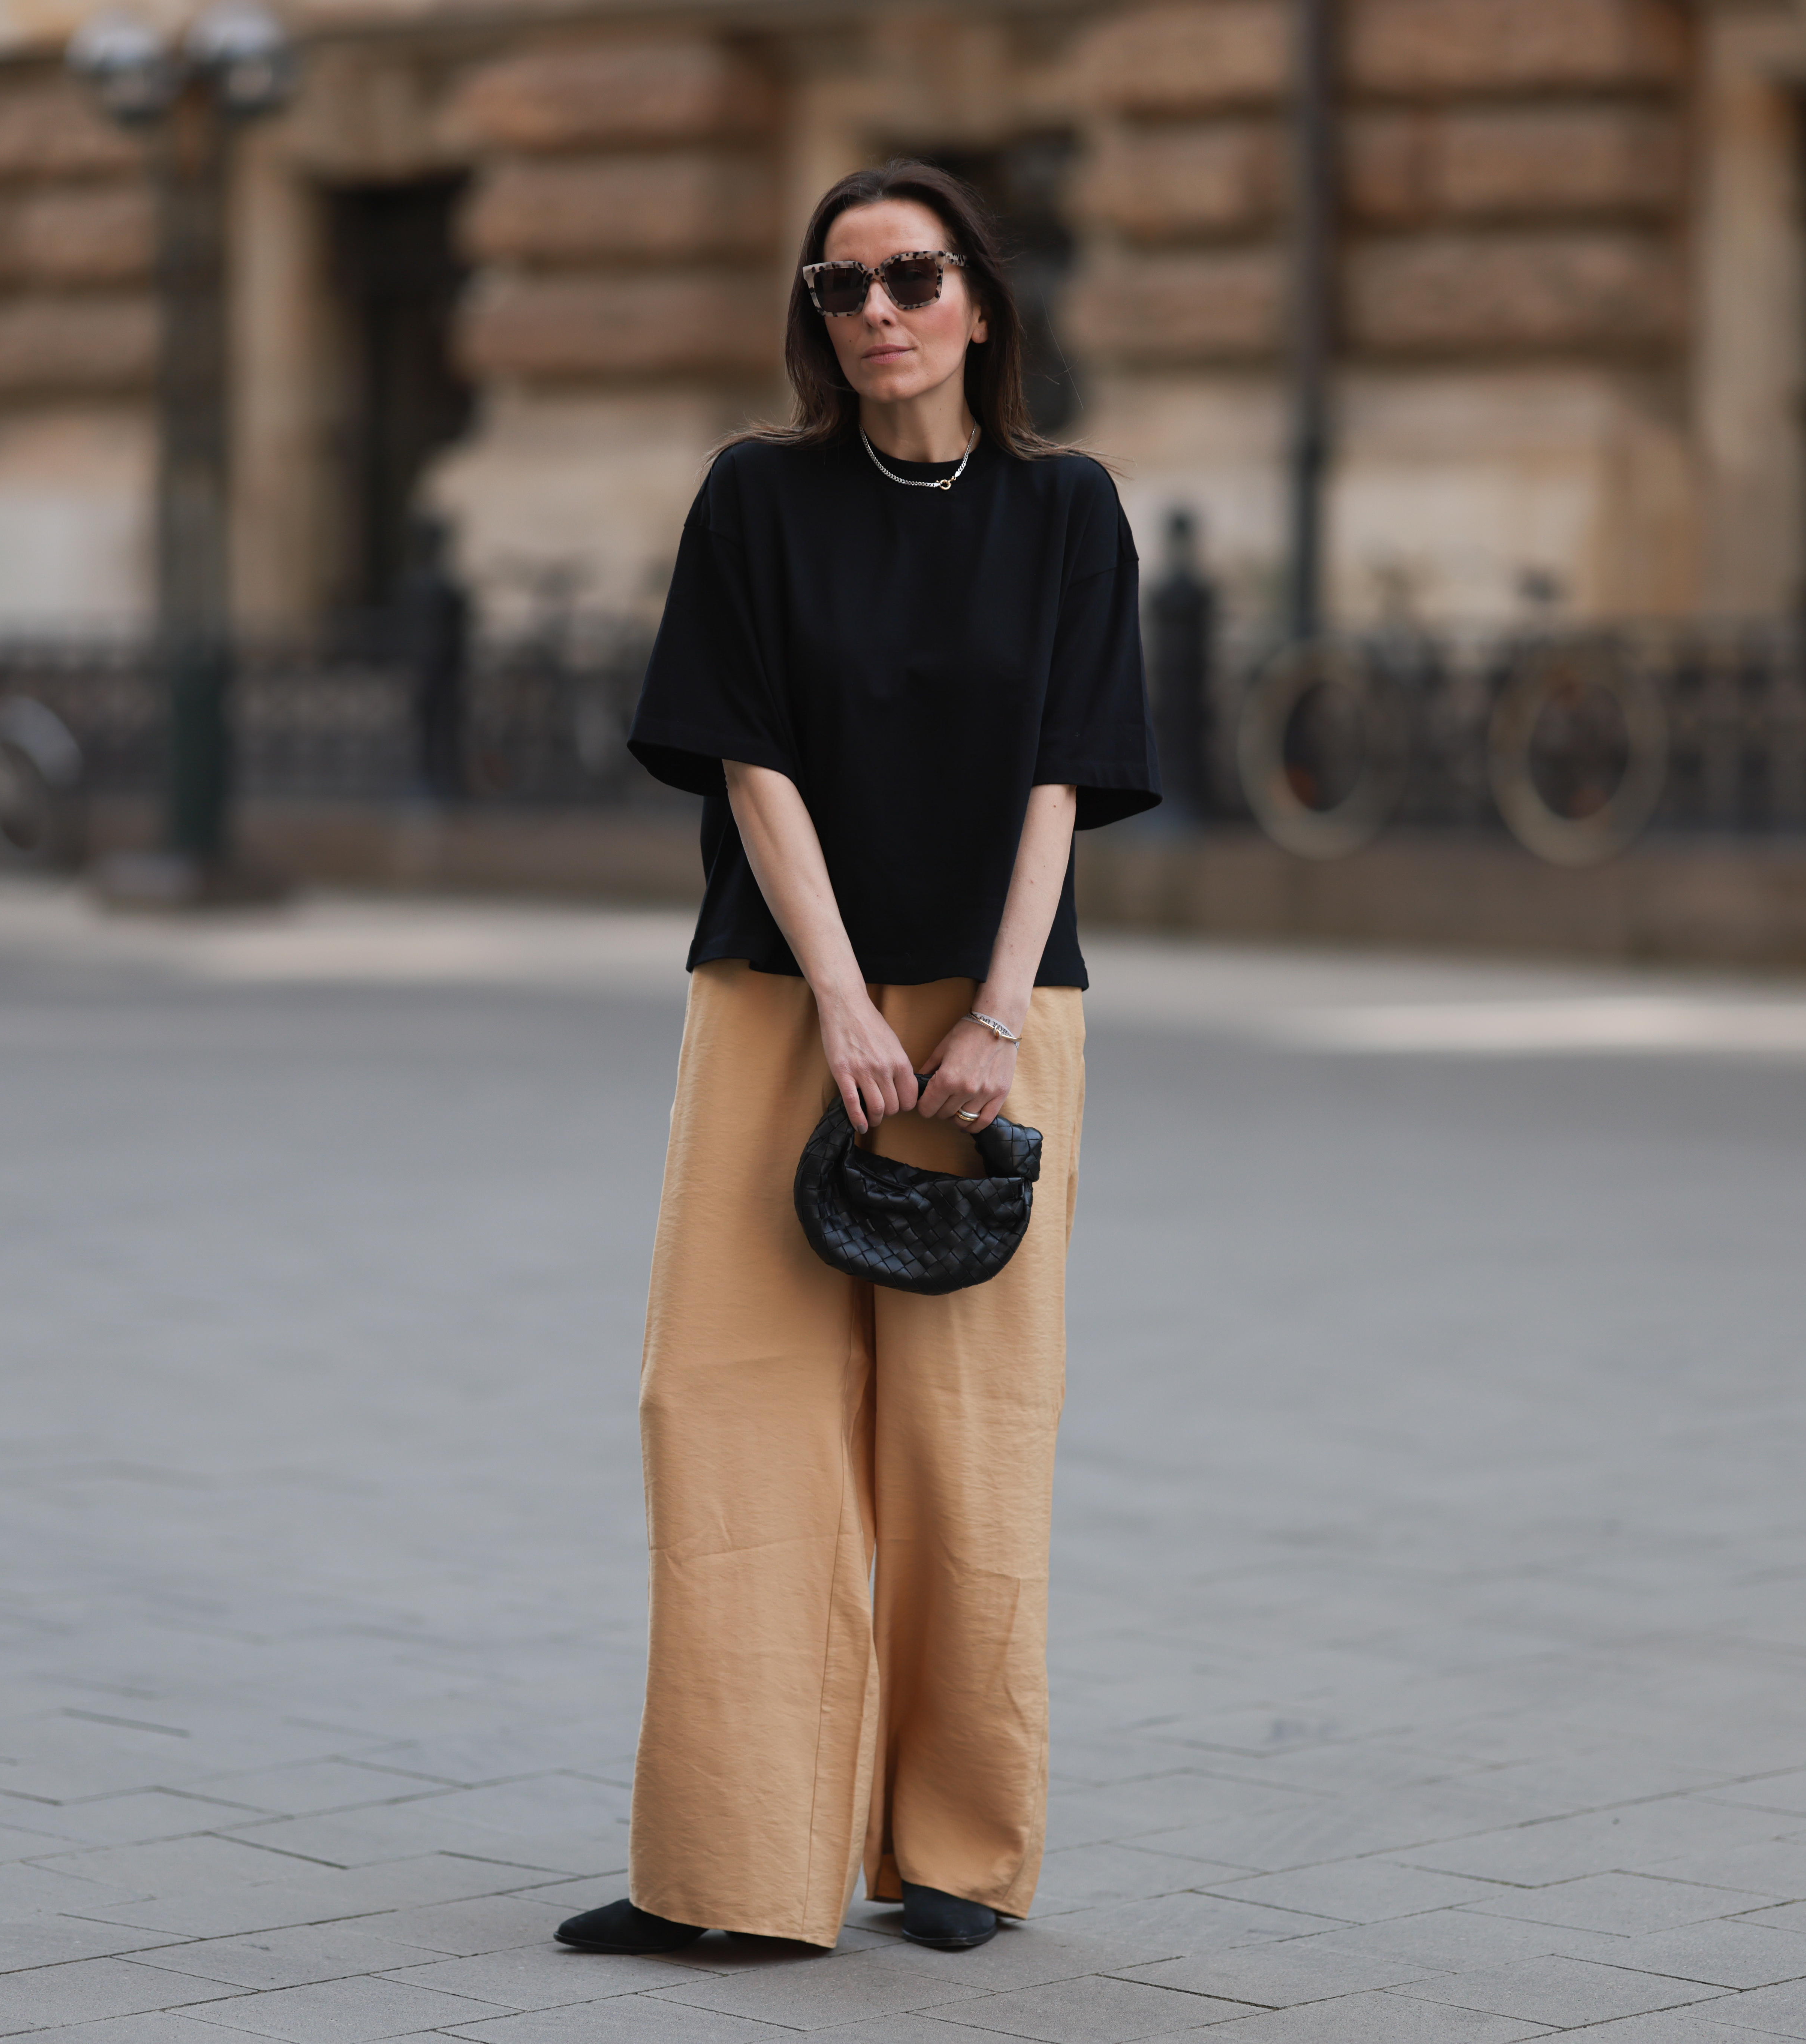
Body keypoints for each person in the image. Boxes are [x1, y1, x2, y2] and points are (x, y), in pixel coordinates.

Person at [554, 161, 1159, 1959]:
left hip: (995, 1013)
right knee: (722, 1404)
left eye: (911, 276)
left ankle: (959, 1853)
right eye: (839, 286)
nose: (877, 311)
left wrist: (977, 1011)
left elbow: (1066, 773)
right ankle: (734, 1869)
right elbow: (750, 760)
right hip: (777, 990)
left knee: (968, 1433)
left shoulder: (1068, 513)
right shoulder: (756, 498)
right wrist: (835, 998)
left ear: (978, 300)